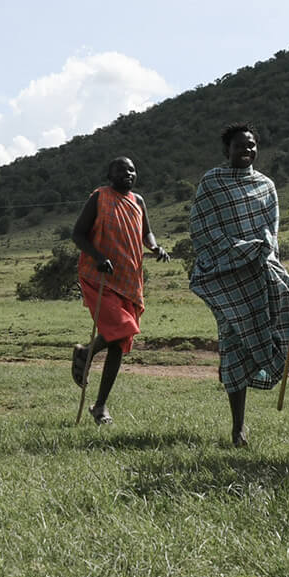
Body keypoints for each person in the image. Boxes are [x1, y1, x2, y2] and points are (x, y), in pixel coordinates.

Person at [188, 124, 289, 447]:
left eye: (251, 146)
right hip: (226, 276)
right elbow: (202, 228)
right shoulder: (212, 182)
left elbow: (271, 231)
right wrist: (236, 249)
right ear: (227, 150)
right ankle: (238, 428)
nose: (247, 151)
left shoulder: (266, 186)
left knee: (285, 316)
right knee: (233, 343)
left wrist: (259, 250)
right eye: (240, 146)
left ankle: (262, 374)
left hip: (258, 271)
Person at [70, 156, 171, 425]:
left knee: (118, 342)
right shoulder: (99, 197)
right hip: (100, 276)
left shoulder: (138, 201)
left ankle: (100, 405)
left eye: (132, 170)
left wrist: (155, 247)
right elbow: (78, 234)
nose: (128, 173)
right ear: (109, 175)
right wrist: (98, 256)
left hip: (129, 279)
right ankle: (86, 352)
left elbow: (146, 232)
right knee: (124, 328)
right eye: (121, 169)